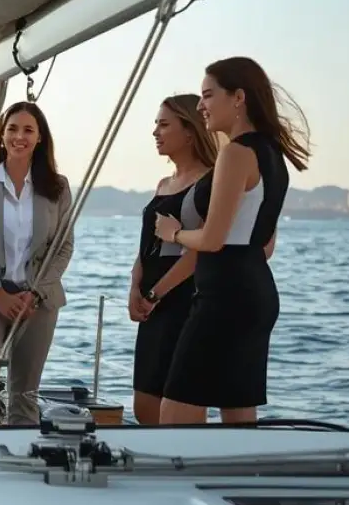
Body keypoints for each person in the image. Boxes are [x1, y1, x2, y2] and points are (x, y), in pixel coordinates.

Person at [153, 56, 310, 424]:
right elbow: (266, 245)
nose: (201, 105)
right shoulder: (272, 154)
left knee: (174, 414)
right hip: (255, 290)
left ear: (238, 97)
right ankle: (242, 479)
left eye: (208, 96)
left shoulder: (236, 153)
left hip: (224, 296)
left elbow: (211, 239)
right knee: (238, 413)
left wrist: (172, 233)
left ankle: (181, 482)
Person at [0, 101, 74, 425]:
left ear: (40, 138)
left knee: (25, 395)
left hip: (38, 301)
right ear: (2, 135)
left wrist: (33, 294)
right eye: (12, 129)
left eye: (28, 130)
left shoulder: (58, 188)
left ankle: (21, 464)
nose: (19, 136)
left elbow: (62, 249)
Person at [128, 94, 216, 425]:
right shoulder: (163, 184)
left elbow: (201, 251)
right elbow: (145, 246)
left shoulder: (209, 183)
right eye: (155, 124)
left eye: (164, 124)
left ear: (190, 131)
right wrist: (135, 286)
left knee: (179, 409)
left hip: (183, 302)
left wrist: (155, 293)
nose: (155, 132)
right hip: (152, 303)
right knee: (144, 406)